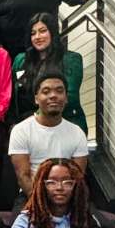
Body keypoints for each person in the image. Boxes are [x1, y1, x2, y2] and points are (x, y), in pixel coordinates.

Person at [8, 71, 89, 207]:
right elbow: (23, 176)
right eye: (46, 92)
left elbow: (77, 177)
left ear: (66, 98)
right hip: (31, 195)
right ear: (36, 98)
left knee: (96, 225)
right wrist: (40, 204)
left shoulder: (77, 133)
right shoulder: (21, 130)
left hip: (68, 198)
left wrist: (62, 206)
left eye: (59, 91)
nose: (53, 96)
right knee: (16, 227)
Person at [11, 12, 86, 132]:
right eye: (33, 33)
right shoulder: (21, 60)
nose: (37, 37)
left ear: (53, 32)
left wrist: (38, 120)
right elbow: (12, 96)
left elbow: (69, 97)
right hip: (26, 128)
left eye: (42, 31)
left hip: (63, 126)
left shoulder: (71, 59)